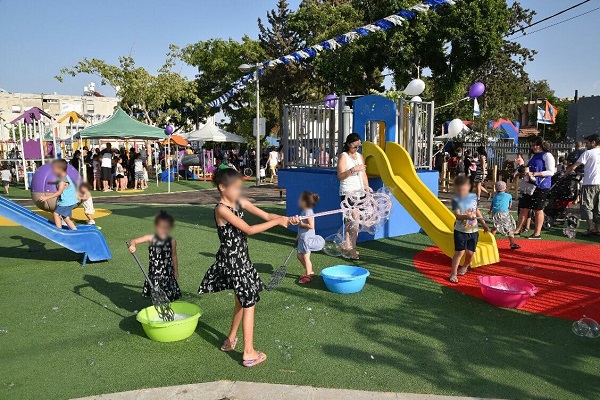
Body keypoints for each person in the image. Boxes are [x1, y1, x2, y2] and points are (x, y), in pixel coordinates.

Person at [197, 168, 297, 367]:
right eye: (235, 188)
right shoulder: (221, 209)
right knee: (249, 302)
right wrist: (278, 222)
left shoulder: (239, 201)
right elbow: (249, 229)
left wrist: (287, 219)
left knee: (240, 300)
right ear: (222, 188)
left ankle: (231, 339)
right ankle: (249, 352)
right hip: (234, 262)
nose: (238, 192)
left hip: (241, 259)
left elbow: (266, 215)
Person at [128, 211, 181, 301]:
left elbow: (174, 256)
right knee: (156, 296)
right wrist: (132, 246)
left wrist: (176, 271)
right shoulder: (151, 238)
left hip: (167, 274)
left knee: (170, 295)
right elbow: (134, 241)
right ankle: (158, 308)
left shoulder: (172, 241)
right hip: (155, 273)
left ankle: (169, 308)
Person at [514, 137, 556, 239]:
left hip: (541, 185)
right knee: (524, 207)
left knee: (538, 209)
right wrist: (522, 170)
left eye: (534, 145)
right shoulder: (534, 155)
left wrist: (534, 173)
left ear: (540, 145)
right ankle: (517, 230)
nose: (533, 147)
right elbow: (528, 168)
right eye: (531, 145)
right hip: (530, 185)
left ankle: (537, 233)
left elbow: (551, 171)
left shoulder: (547, 155)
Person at [450, 175, 488, 283]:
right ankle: (453, 273)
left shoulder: (473, 197)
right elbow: (457, 216)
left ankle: (465, 266)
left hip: (473, 231)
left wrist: (483, 223)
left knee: (470, 253)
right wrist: (466, 216)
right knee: (459, 253)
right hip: (461, 231)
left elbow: (476, 210)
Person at [337, 133, 370, 260]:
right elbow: (340, 176)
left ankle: (347, 245)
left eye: (358, 146)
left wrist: (367, 189)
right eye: (355, 146)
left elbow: (363, 175)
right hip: (348, 192)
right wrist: (353, 169)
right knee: (354, 221)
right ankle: (352, 250)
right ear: (349, 145)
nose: (357, 149)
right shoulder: (343, 156)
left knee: (352, 221)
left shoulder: (360, 157)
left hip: (359, 192)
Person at [563, 134, 600, 236]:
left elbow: (574, 166)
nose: (586, 144)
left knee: (586, 206)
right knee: (598, 207)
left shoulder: (587, 153)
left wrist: (565, 174)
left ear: (593, 142)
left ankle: (591, 228)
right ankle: (598, 229)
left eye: (587, 142)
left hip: (589, 183)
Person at [39, 159, 78, 230]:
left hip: (66, 203)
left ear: (59, 169)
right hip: (71, 201)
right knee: (66, 218)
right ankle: (75, 230)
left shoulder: (62, 181)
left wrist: (46, 198)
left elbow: (59, 192)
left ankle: (59, 230)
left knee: (56, 214)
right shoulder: (66, 177)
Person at [296, 191, 322, 284]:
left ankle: (308, 276)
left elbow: (311, 226)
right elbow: (300, 227)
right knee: (299, 256)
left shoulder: (308, 211)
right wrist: (297, 236)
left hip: (307, 239)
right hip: (302, 238)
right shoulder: (304, 211)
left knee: (306, 257)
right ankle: (309, 271)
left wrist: (300, 223)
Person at [489, 181, 520, 249]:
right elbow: (510, 205)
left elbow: (492, 205)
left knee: (495, 227)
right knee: (509, 228)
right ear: (505, 188)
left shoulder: (495, 196)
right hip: (504, 213)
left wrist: (490, 211)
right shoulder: (509, 196)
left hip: (495, 213)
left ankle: (491, 241)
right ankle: (512, 243)